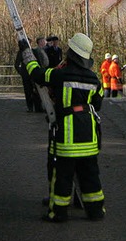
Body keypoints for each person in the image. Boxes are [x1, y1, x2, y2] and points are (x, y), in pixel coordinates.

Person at [20, 33, 105, 222]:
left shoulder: (60, 74)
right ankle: (96, 211)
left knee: (63, 177)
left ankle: (58, 212)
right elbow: (97, 104)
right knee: (91, 176)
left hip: (67, 137)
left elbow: (37, 74)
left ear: (71, 53)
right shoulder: (94, 79)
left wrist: (27, 54)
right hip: (90, 138)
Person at [31, 37, 50, 113]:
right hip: (41, 71)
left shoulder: (42, 50)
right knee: (38, 90)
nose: (45, 42)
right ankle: (38, 107)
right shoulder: (37, 50)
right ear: (40, 42)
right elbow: (40, 61)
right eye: (43, 41)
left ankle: (40, 106)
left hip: (44, 70)